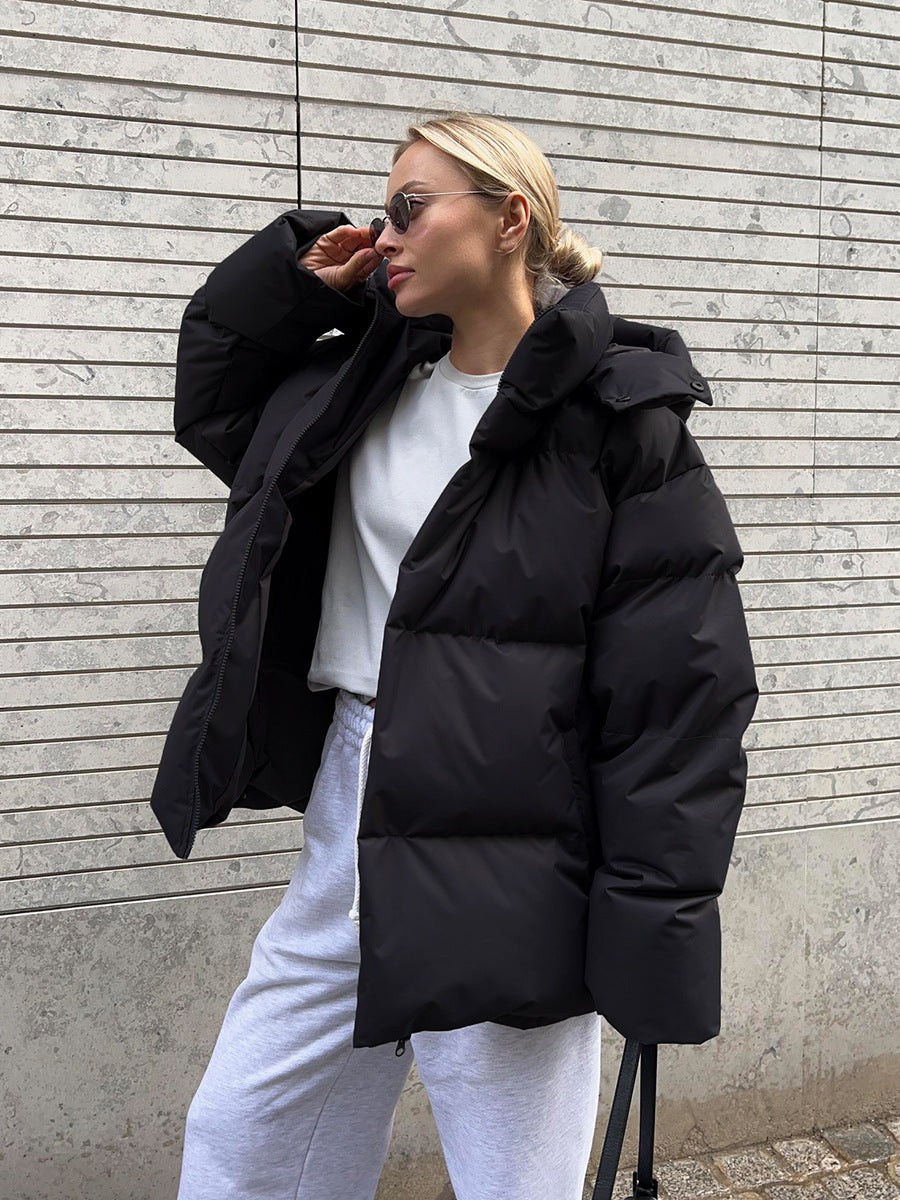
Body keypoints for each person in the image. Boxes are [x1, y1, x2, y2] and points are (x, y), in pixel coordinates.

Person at [153, 110, 759, 1200]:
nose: (383, 235)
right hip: (354, 801)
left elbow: (681, 698)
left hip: (518, 840)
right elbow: (214, 403)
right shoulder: (361, 387)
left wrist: (651, 931)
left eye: (407, 208)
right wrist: (298, 283)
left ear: (508, 218)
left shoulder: (623, 425)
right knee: (245, 1140)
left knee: (509, 1177)